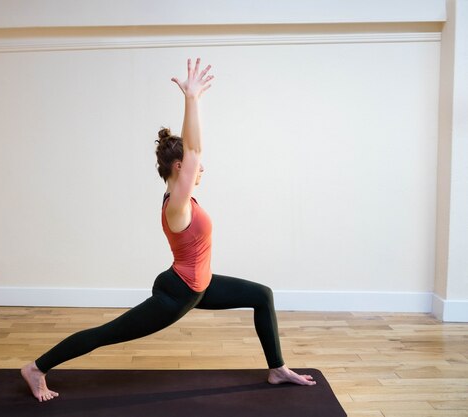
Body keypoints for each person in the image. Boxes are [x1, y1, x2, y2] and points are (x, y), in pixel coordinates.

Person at [21, 58, 316, 402]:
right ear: (180, 167)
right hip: (177, 294)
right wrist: (192, 99)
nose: (202, 167)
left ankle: (277, 369)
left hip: (199, 286)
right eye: (193, 165)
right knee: (108, 334)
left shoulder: (185, 199)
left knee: (261, 295)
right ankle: (37, 368)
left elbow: (192, 150)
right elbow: (194, 149)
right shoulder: (176, 204)